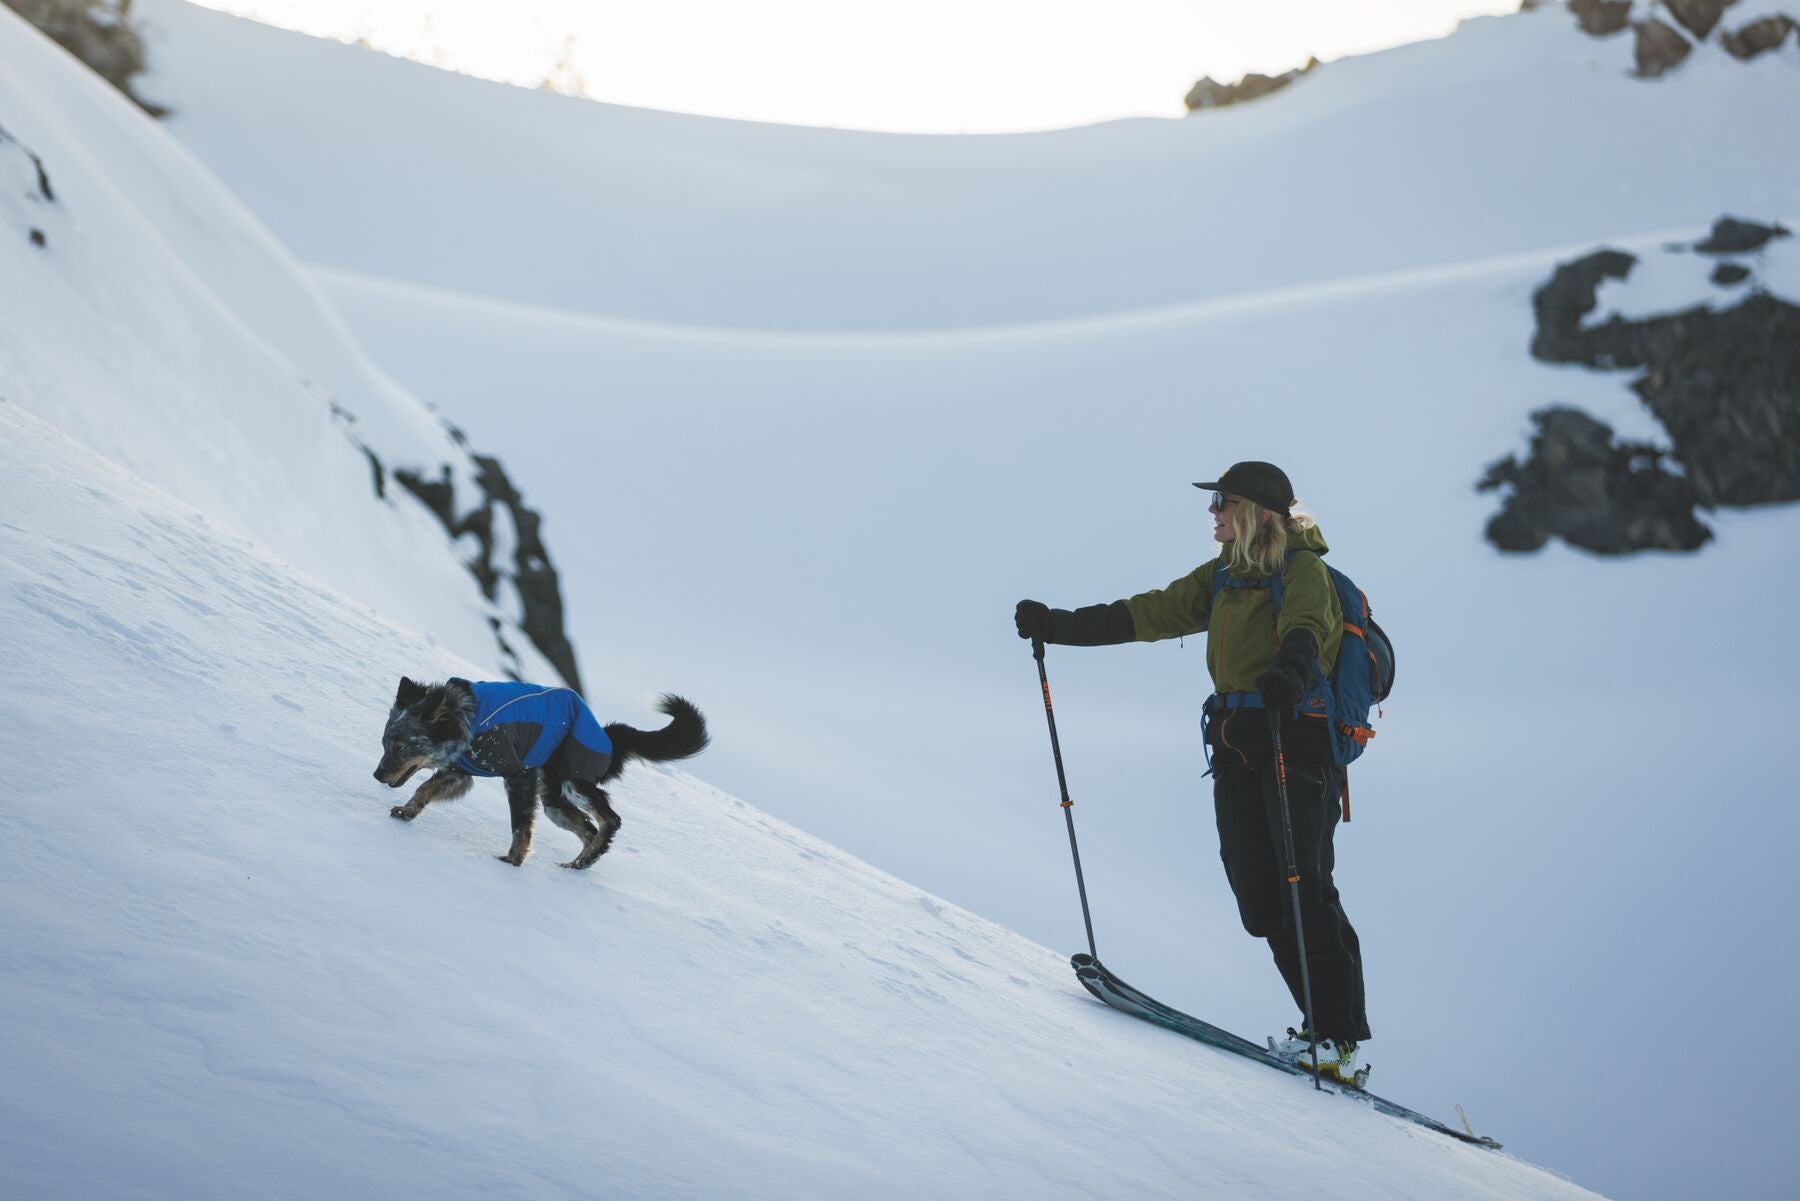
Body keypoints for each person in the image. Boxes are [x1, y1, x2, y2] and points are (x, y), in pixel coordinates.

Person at [1014, 460, 1370, 1082]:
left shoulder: (1302, 570)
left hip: (1296, 742)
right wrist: (1058, 626)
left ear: (1256, 511)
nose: (1212, 512)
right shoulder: (1224, 577)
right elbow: (1146, 614)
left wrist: (1290, 669)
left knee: (1305, 890)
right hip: (1236, 746)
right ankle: (1320, 1031)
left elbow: (1307, 630)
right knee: (1260, 901)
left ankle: (1336, 1040)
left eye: (1222, 502)